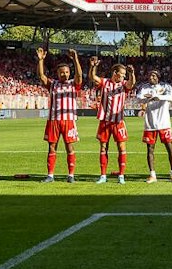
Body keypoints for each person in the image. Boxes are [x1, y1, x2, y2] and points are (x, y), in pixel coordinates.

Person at [34, 45, 84, 182]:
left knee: (70, 147)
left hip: (68, 120)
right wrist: (40, 60)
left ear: (69, 73)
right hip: (54, 120)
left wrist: (75, 59)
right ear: (57, 73)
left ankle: (71, 175)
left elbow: (79, 76)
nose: (64, 74)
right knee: (51, 147)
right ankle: (50, 175)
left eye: (67, 72)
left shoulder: (73, 84)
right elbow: (41, 76)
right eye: (62, 72)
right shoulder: (53, 84)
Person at [87, 56, 131, 184]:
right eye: (122, 74)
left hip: (118, 121)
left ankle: (121, 175)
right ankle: (103, 175)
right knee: (103, 147)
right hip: (105, 120)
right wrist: (93, 66)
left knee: (121, 147)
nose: (123, 77)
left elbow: (131, 83)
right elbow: (92, 77)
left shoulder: (123, 85)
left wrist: (131, 73)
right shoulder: (104, 82)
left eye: (124, 75)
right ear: (115, 73)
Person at [135, 65, 172, 183]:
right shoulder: (144, 87)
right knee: (150, 149)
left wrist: (156, 96)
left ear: (158, 77)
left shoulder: (166, 86)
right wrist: (147, 99)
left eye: (154, 75)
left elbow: (170, 97)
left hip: (164, 123)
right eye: (150, 75)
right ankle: (152, 174)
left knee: (170, 148)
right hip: (150, 123)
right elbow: (139, 98)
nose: (151, 77)